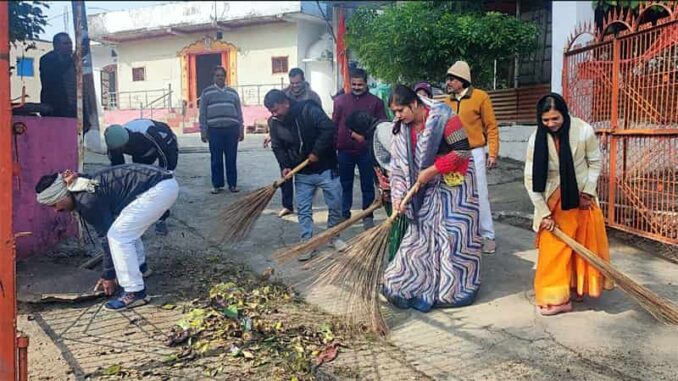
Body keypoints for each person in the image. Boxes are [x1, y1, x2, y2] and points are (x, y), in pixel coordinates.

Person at [383, 85, 482, 312]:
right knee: (421, 235)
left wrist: (434, 169)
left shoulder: (445, 118)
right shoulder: (400, 129)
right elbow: (397, 167)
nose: (397, 116)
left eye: (400, 110)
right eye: (394, 112)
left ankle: (453, 291)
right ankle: (406, 284)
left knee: (453, 235)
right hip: (423, 188)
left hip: (455, 185)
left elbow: (462, 151)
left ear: (415, 104)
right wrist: (399, 196)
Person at [35, 164, 179, 310]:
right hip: (163, 183)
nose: (56, 210)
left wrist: (108, 275)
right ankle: (140, 268)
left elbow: (107, 239)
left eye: (54, 205)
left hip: (158, 189)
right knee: (125, 229)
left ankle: (134, 292)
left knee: (118, 236)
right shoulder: (80, 186)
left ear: (62, 195)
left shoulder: (87, 200)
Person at [524, 93, 614, 316]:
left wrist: (588, 192)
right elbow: (530, 178)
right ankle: (555, 298)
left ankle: (575, 288)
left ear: (564, 114)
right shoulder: (537, 138)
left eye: (555, 119)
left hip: (581, 198)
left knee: (582, 246)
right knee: (552, 249)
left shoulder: (583, 131)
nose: (551, 124)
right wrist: (544, 213)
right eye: (545, 120)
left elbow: (594, 163)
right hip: (551, 198)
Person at [263, 89, 346, 261]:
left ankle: (334, 236)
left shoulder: (308, 110)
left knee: (336, 204)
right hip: (301, 172)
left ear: (285, 102)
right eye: (271, 111)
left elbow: (328, 129)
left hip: (326, 167)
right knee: (304, 209)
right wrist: (285, 166)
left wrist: (316, 151)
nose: (274, 114)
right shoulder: (274, 122)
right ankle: (307, 242)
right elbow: (277, 146)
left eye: (276, 109)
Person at [443, 61, 498, 254]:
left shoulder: (480, 97)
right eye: (448, 79)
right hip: (453, 153)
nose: (448, 82)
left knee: (480, 193)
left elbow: (491, 126)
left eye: (452, 79)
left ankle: (487, 235)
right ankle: (464, 234)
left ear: (462, 80)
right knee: (457, 194)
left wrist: (493, 152)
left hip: (475, 151)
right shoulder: (446, 102)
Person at [345, 110, 407, 262]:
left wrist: (399, 191)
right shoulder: (372, 135)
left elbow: (400, 159)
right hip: (389, 193)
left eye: (353, 131)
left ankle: (397, 269)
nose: (352, 136)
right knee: (396, 232)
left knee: (400, 233)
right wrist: (381, 190)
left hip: (401, 193)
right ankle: (396, 267)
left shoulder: (383, 130)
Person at [332, 68, 387, 229]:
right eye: (354, 84)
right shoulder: (340, 101)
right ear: (350, 83)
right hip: (344, 151)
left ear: (366, 83)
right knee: (345, 183)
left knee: (367, 184)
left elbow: (381, 126)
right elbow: (334, 124)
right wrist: (333, 146)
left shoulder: (376, 102)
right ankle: (344, 214)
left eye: (360, 84)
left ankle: (367, 215)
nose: (357, 87)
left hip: (366, 151)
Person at [104, 119, 179, 235]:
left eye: (122, 148)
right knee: (140, 184)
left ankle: (161, 219)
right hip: (142, 152)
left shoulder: (148, 133)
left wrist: (164, 175)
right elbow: (118, 169)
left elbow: (165, 155)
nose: (120, 151)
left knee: (162, 184)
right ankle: (139, 220)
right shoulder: (114, 143)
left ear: (126, 141)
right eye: (118, 150)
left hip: (166, 145)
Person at [199, 66, 244, 194]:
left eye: (222, 75)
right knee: (216, 159)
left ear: (225, 77)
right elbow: (202, 113)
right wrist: (203, 130)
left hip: (232, 129)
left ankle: (232, 185)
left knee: (231, 158)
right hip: (214, 130)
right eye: (217, 75)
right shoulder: (206, 93)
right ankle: (217, 185)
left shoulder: (233, 93)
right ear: (213, 77)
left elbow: (239, 112)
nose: (220, 77)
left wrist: (241, 129)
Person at [39, 33, 77, 119]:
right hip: (56, 108)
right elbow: (55, 75)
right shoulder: (47, 59)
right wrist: (71, 60)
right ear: (56, 45)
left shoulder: (74, 61)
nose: (69, 46)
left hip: (74, 107)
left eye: (70, 43)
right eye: (65, 43)